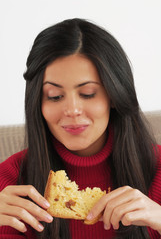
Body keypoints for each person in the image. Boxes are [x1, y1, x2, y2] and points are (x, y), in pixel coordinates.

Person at [0, 18, 161, 239]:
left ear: (114, 95)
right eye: (54, 96)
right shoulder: (10, 181)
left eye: (88, 93)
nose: (72, 110)